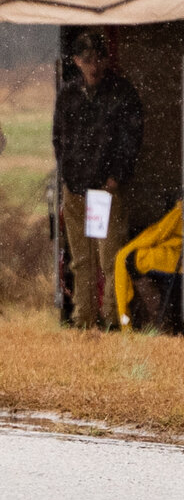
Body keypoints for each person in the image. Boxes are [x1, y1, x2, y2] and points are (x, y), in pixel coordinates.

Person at [52, 29, 144, 330]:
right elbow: (59, 138)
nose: (93, 66)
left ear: (105, 60)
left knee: (110, 260)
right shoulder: (68, 94)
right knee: (81, 262)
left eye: (98, 59)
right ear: (77, 61)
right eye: (87, 59)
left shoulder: (121, 93)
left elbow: (131, 139)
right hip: (76, 188)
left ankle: (112, 319)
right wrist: (67, 173)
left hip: (104, 190)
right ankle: (84, 318)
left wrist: (116, 177)